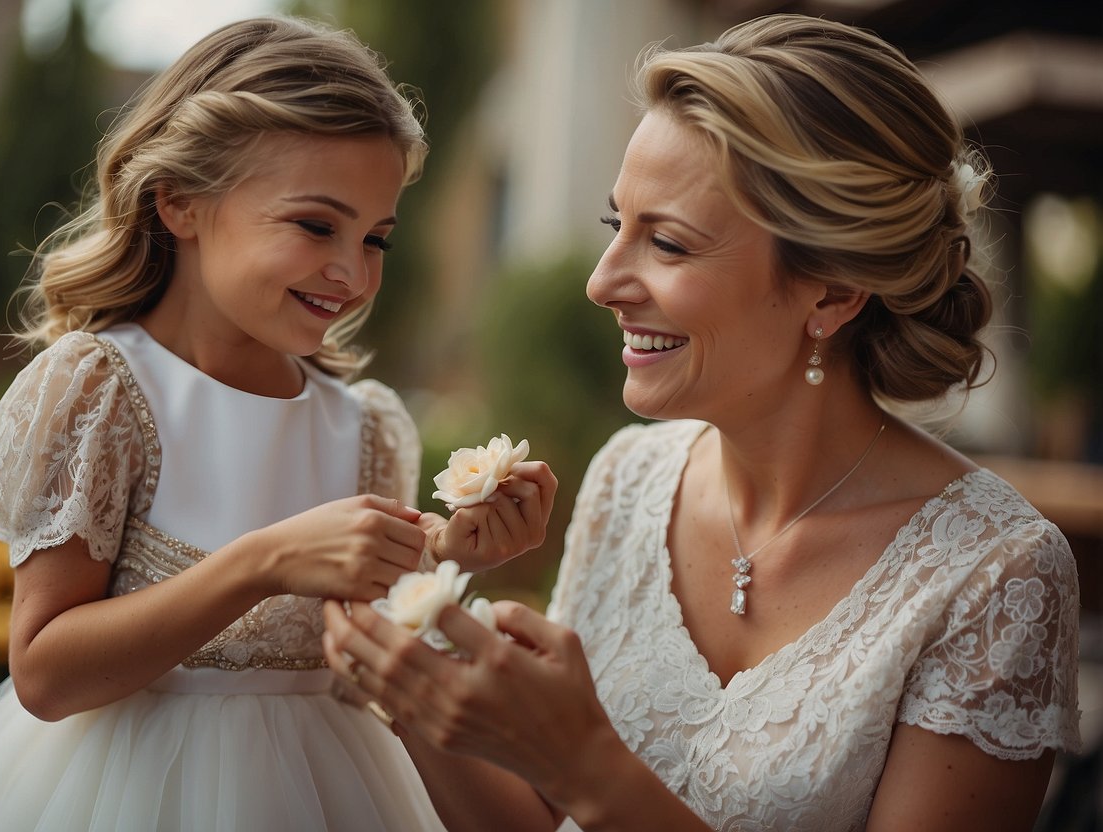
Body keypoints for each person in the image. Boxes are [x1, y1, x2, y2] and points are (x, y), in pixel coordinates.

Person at [322, 13, 1081, 831]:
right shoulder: (628, 477)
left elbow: (579, 784)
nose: (602, 282)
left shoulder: (996, 576)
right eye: (618, 227)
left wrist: (585, 765)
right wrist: (414, 692)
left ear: (829, 292)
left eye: (670, 245)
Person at [0, 15, 555, 832]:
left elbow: (358, 665)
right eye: (316, 224)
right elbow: (45, 674)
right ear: (180, 203)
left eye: (375, 236)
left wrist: (440, 559)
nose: (351, 271)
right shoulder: (103, 391)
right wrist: (264, 561)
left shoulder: (366, 427)